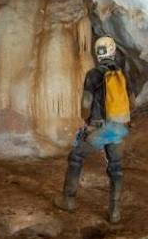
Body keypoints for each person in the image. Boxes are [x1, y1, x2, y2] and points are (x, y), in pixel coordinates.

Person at [52, 35, 132, 223]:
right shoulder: (123, 75)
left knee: (76, 157)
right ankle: (115, 212)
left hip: (100, 129)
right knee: (116, 168)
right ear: (113, 51)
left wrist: (86, 120)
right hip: (119, 128)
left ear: (98, 53)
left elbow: (86, 103)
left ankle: (68, 200)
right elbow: (133, 103)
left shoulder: (94, 74)